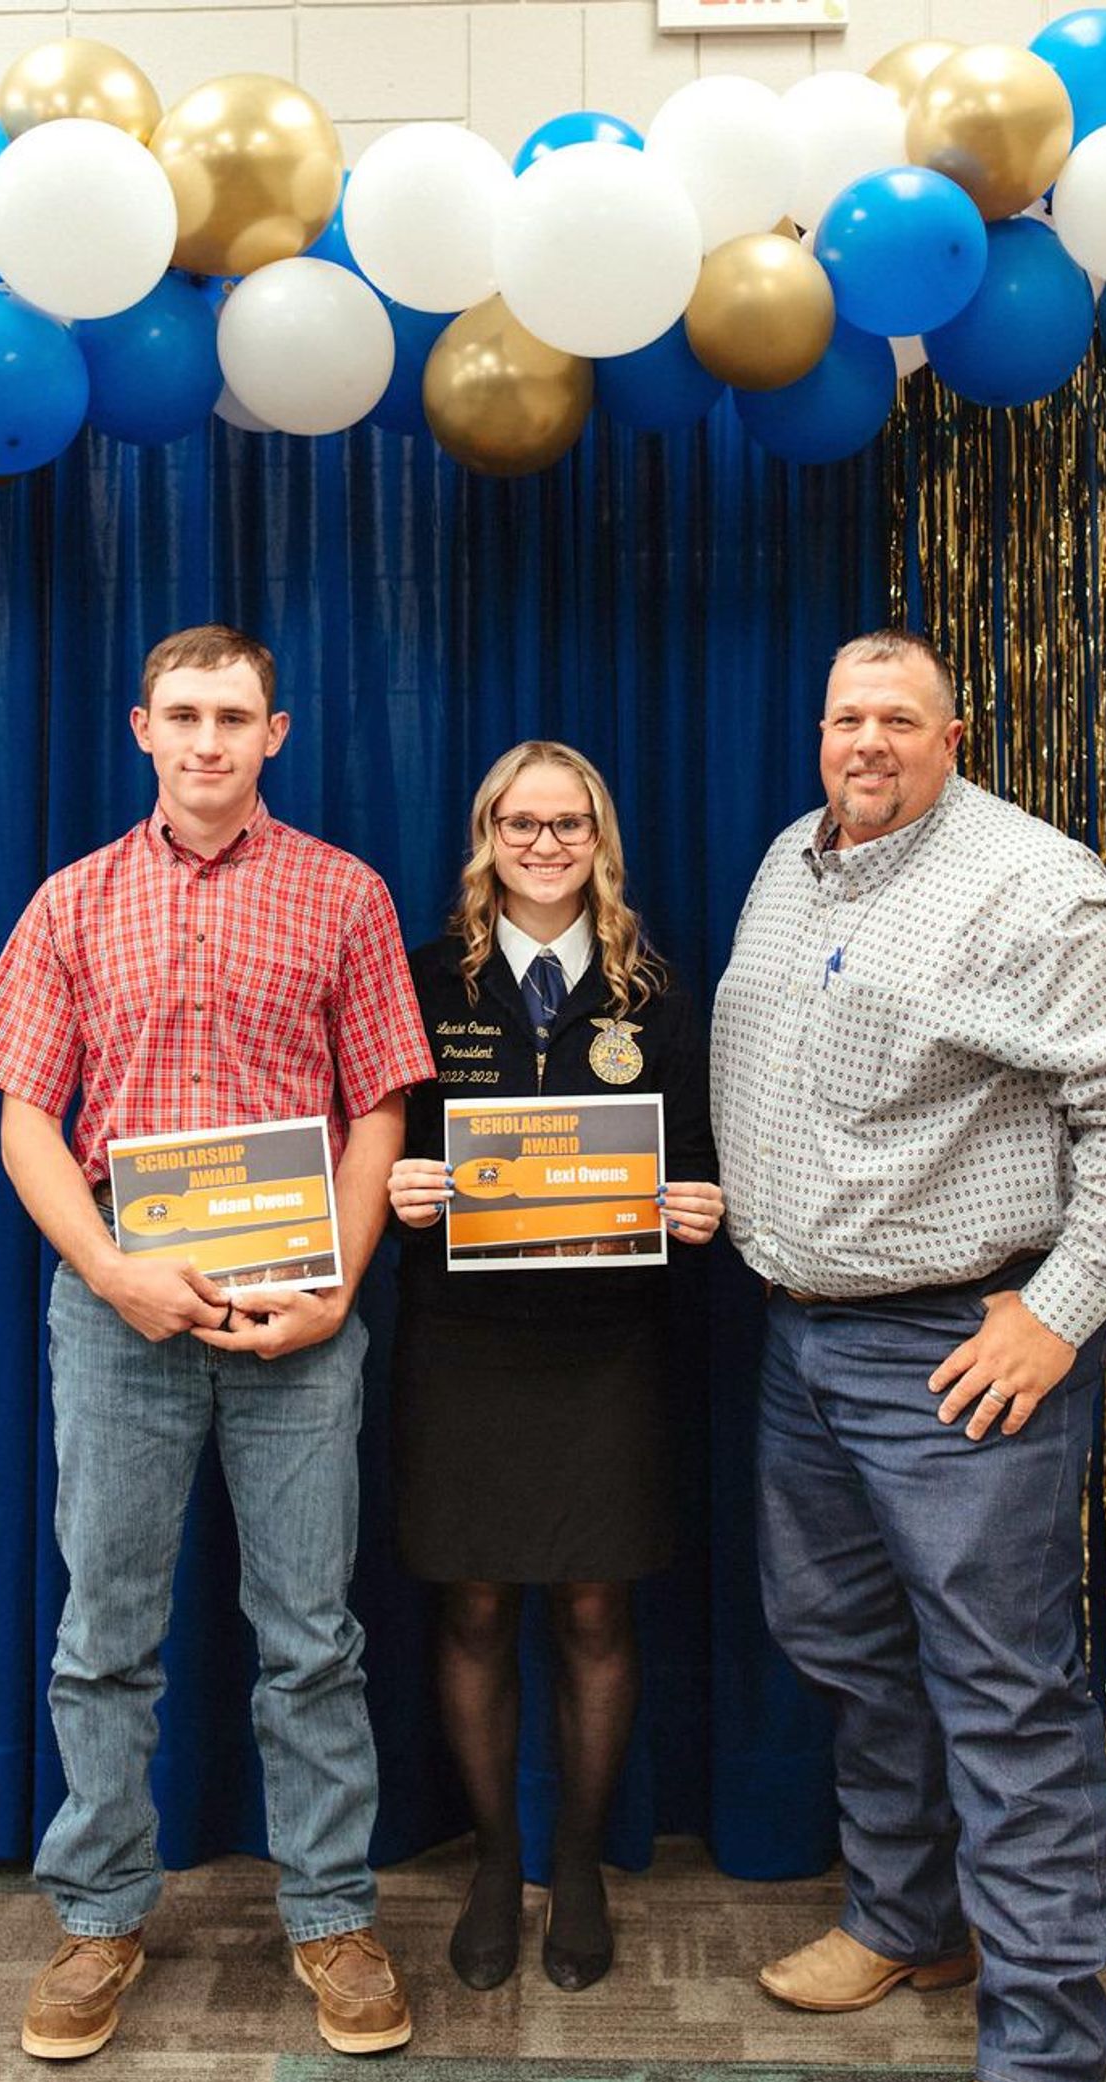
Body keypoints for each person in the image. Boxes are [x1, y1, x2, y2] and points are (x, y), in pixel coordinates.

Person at [0, 624, 435, 2061]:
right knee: (104, 1633)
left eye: (232, 715)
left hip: (301, 1321)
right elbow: (24, 1118)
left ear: (276, 732)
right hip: (119, 1309)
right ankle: (99, 1915)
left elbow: (381, 1110)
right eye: (181, 714)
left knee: (311, 1635)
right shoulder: (69, 903)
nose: (205, 740)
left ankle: (331, 1916)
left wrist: (341, 1288)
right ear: (139, 730)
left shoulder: (346, 895)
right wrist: (116, 1272)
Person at [710, 629, 1106, 2082]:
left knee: (1004, 1693)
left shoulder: (1035, 888)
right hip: (801, 1336)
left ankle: (1045, 2051)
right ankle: (910, 1917)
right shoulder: (793, 859)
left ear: (954, 737)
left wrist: (1064, 1303)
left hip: (963, 1348)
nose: (868, 742)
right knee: (844, 1645)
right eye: (847, 717)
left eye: (900, 718)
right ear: (819, 732)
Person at [388, 740, 722, 1994]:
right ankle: (493, 1858)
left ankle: (576, 1862)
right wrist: (397, 1182)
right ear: (485, 835)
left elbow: (691, 1148)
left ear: (600, 837)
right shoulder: (424, 980)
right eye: (518, 823)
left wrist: (699, 1200)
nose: (542, 844)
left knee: (595, 1603)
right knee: (472, 1601)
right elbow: (373, 1135)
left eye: (565, 823)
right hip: (462, 1344)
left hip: (607, 1346)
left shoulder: (657, 991)